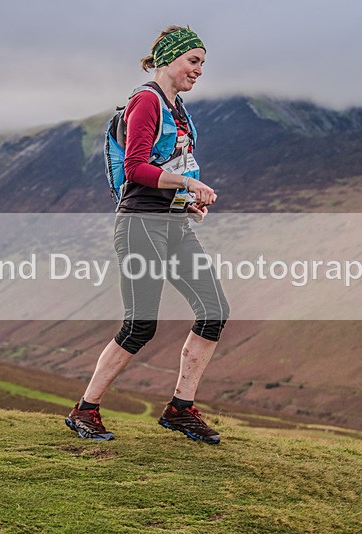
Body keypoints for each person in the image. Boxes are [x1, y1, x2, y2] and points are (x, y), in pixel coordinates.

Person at [65, 26, 229, 445]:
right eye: (193, 61)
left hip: (171, 223)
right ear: (168, 59)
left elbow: (163, 170)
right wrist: (190, 185)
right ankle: (85, 410)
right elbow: (137, 168)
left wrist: (185, 201)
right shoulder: (146, 101)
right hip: (140, 225)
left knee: (214, 311)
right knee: (141, 326)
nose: (198, 71)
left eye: (202, 64)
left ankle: (180, 409)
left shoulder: (177, 109)